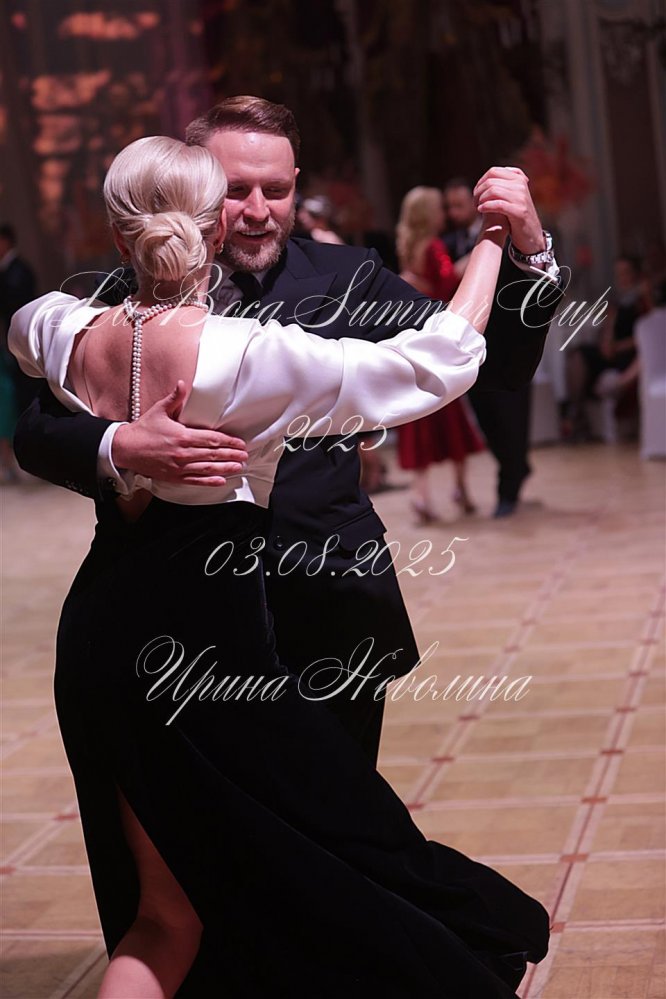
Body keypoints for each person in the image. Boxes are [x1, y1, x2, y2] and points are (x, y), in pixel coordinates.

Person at [10, 135, 549, 998]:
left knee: (168, 916)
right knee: (360, 854)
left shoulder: (60, 322)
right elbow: (445, 358)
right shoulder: (245, 353)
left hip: (108, 635)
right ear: (213, 226)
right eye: (236, 192)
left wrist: (118, 430)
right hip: (211, 646)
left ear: (119, 232)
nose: (257, 208)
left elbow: (27, 337)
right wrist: (488, 240)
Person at [13, 97, 563, 764]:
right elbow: (36, 433)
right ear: (194, 187)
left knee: (336, 815)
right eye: (235, 190)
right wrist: (120, 446)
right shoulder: (126, 292)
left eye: (275, 190)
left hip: (328, 602)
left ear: (296, 184)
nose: (257, 210)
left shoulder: (348, 277)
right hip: (174, 618)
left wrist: (529, 250)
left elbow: (494, 364)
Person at [443, 177, 559, 517]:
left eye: (459, 205)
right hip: (467, 348)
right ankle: (516, 467)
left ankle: (508, 486)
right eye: (449, 207)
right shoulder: (447, 243)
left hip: (507, 342)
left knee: (513, 418)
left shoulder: (510, 236)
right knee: (487, 421)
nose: (453, 212)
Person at [396, 186, 484, 522]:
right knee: (450, 413)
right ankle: (461, 489)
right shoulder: (433, 246)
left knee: (421, 414)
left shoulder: (407, 245)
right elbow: (446, 286)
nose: (443, 214)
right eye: (438, 208)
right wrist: (468, 265)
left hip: (415, 335)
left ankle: (420, 492)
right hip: (436, 335)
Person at [564, 254, 647, 442]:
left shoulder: (641, 300)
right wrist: (608, 333)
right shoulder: (617, 301)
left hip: (630, 353)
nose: (622, 277)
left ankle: (576, 416)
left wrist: (616, 346)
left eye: (626, 272)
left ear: (635, 274)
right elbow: (607, 336)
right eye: (619, 274)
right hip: (612, 352)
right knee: (577, 355)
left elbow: (647, 336)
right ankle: (575, 412)